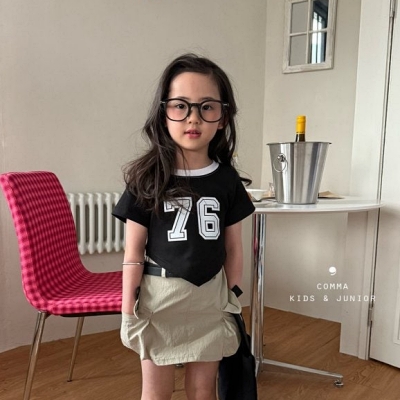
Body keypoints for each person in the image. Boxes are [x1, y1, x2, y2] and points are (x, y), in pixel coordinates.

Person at [112, 53, 255, 400]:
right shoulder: (146, 178)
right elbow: (134, 250)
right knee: (156, 391)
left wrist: (233, 296)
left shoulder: (227, 180)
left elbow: (233, 246)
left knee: (203, 390)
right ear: (164, 113)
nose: (193, 118)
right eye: (180, 106)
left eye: (207, 107)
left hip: (210, 299)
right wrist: (128, 303)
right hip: (159, 299)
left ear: (223, 117)